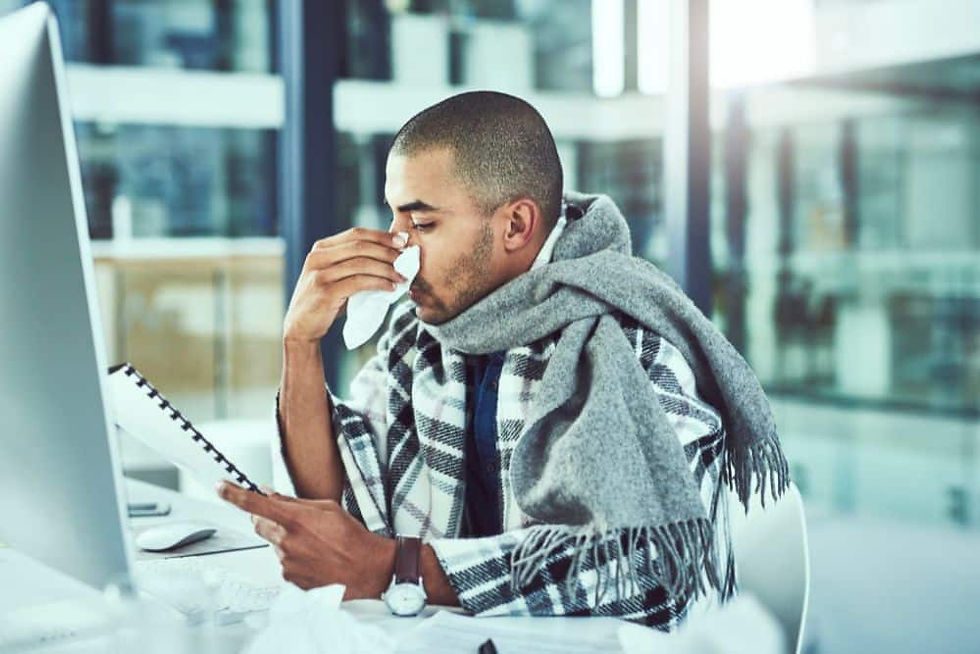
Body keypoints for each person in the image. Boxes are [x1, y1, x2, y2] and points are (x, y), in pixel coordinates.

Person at [217, 91, 789, 629]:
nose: (395, 248)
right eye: (394, 219)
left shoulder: (623, 342)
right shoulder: (419, 336)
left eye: (421, 223)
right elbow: (339, 505)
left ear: (515, 225)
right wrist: (300, 343)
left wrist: (396, 569)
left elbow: (639, 565)